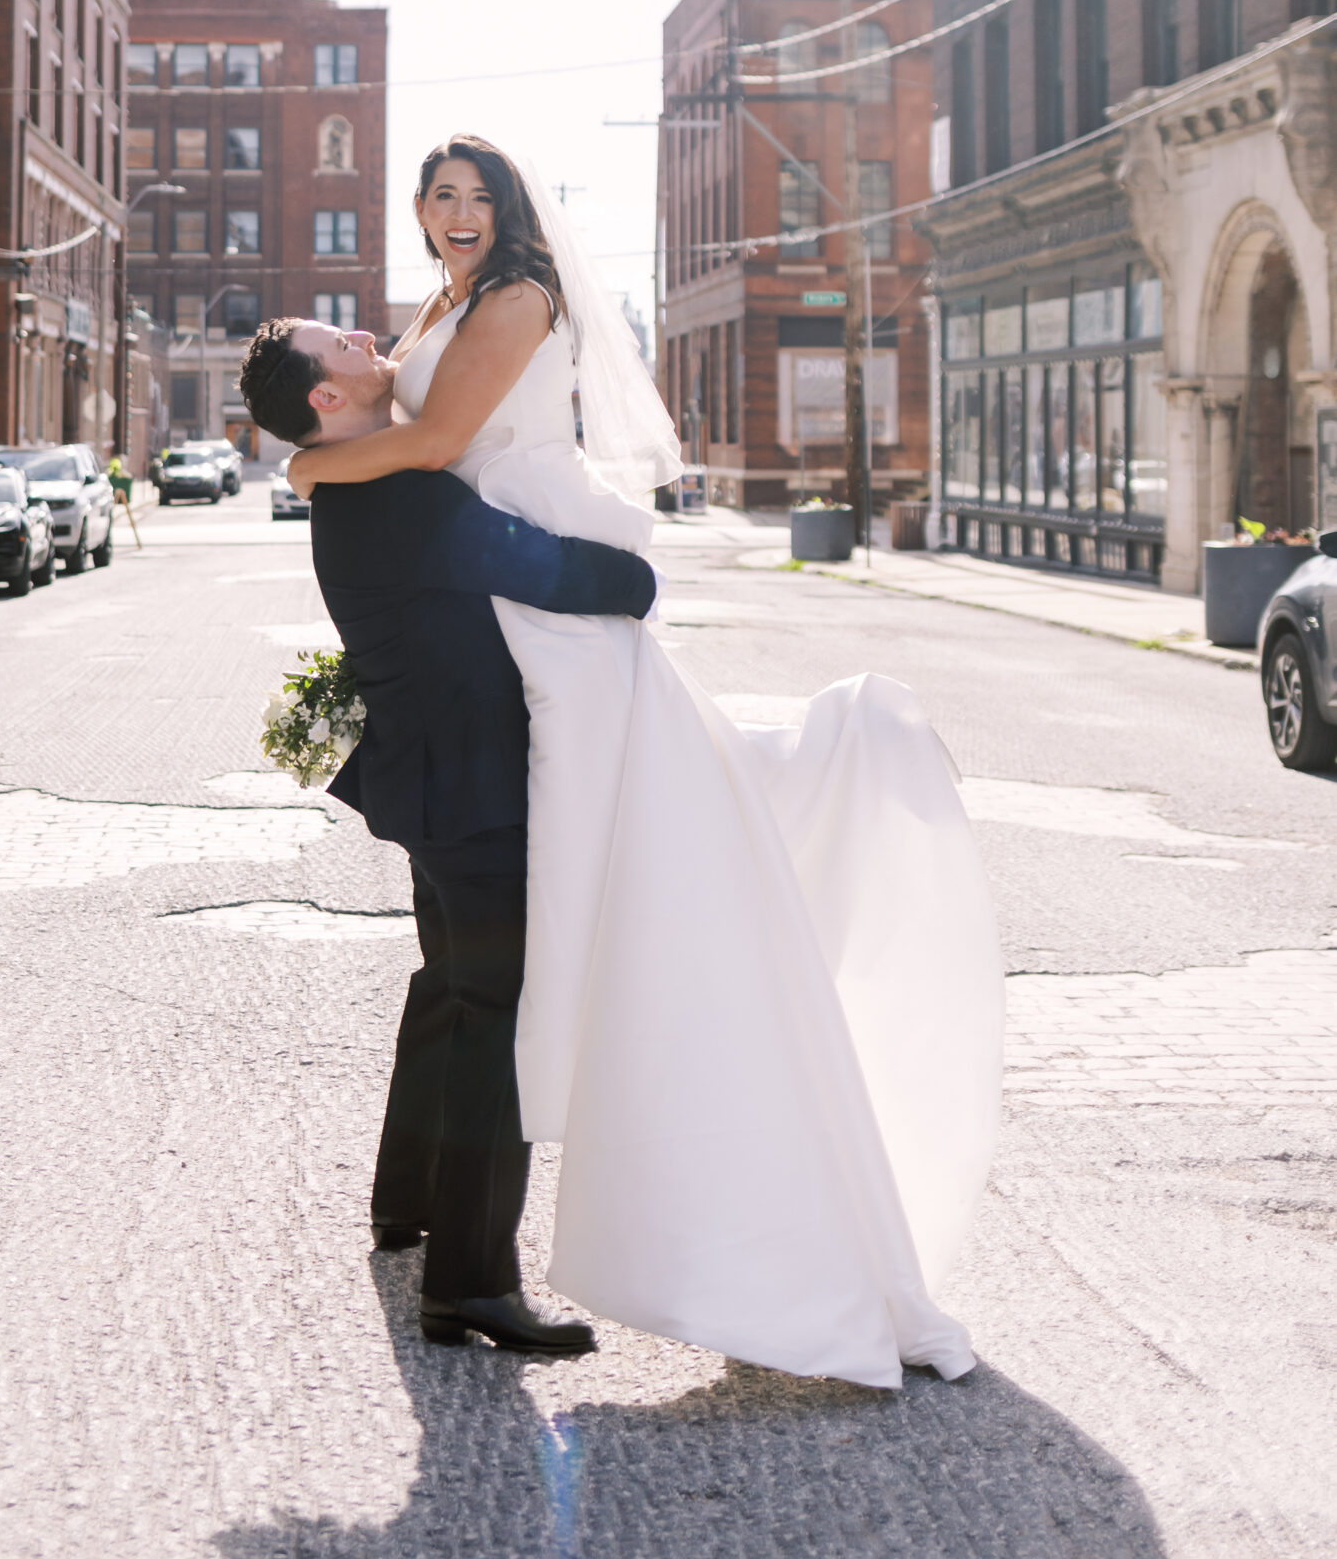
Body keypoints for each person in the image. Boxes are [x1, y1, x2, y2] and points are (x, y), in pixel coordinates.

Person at [280, 135, 1004, 1390]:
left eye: (477, 194)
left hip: (523, 576)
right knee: (488, 967)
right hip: (498, 619)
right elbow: (393, 415)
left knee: (517, 940)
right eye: (438, 196)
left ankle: (445, 1231)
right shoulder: (439, 309)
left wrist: (310, 459)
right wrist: (320, 446)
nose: (456, 212)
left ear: (512, 208)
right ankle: (455, 1251)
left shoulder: (511, 296)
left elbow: (440, 432)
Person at [238, 315, 657, 1358]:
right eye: (338, 341)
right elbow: (554, 572)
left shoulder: (349, 483)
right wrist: (640, 577)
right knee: (493, 1018)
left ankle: (408, 1202)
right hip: (471, 791)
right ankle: (471, 1282)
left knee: (449, 988)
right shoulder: (399, 495)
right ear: (327, 399)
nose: (363, 334)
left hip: (434, 783)